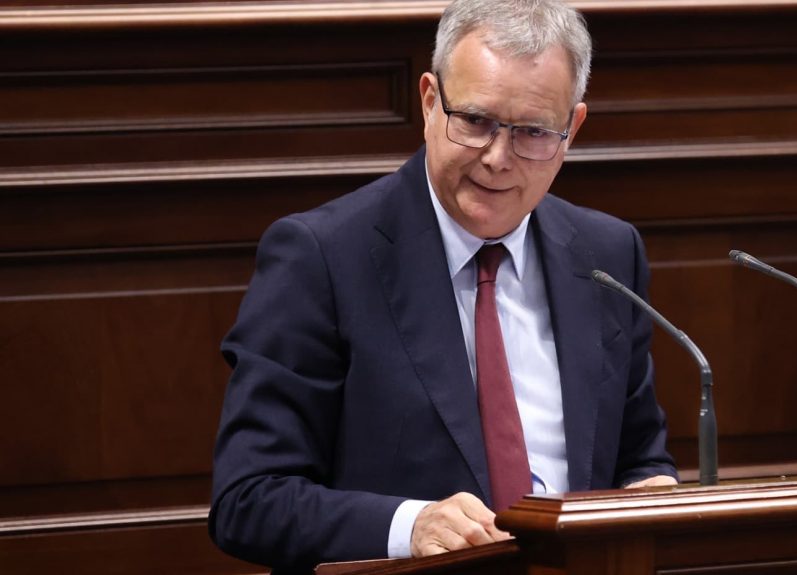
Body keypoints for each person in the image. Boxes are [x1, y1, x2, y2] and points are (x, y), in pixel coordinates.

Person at [209, 0, 678, 572]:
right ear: (430, 102)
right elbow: (249, 500)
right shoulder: (323, 257)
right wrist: (410, 525)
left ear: (571, 129)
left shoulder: (607, 254)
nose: (498, 159)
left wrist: (652, 494)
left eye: (532, 132)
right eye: (476, 122)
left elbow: (639, 458)